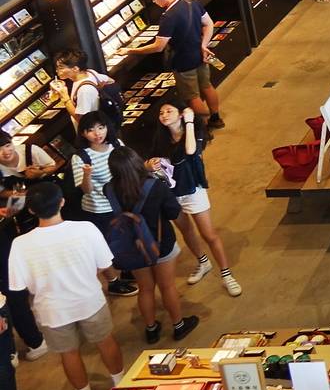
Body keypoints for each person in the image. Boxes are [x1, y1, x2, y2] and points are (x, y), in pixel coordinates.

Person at [8, 181, 124, 390]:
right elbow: (104, 264)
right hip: (89, 299)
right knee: (105, 340)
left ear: (30, 210)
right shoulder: (86, 229)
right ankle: (121, 387)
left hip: (52, 309)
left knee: (68, 353)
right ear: (62, 202)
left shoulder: (20, 245)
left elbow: (19, 286)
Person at [105, 144, 197, 345]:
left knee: (146, 288)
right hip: (161, 243)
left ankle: (151, 329)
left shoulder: (109, 188)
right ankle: (178, 325)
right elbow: (173, 212)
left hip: (133, 247)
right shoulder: (155, 187)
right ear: (137, 162)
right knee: (167, 286)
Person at [144, 103, 239, 296]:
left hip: (192, 189)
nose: (163, 115)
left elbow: (190, 150)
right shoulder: (160, 137)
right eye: (161, 112)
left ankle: (226, 274)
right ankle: (203, 262)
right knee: (186, 231)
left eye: (169, 111)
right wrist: (149, 165)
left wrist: (188, 122)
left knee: (209, 234)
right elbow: (149, 160)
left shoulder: (195, 131)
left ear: (180, 114)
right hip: (170, 193)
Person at [128, 0, 224, 128]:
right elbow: (208, 24)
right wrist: (203, 45)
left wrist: (132, 50)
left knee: (192, 96)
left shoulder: (168, 17)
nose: (154, 2)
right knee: (207, 86)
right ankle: (216, 118)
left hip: (183, 61)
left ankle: (203, 127)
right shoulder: (192, 3)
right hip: (200, 55)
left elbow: (159, 46)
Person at [69, 111, 137, 297]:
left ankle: (127, 269)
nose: (97, 133)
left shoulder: (116, 144)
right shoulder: (81, 157)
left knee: (127, 238)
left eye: (101, 127)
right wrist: (87, 175)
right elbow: (86, 190)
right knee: (107, 246)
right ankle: (113, 282)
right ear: (83, 133)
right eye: (90, 130)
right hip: (98, 209)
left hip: (122, 203)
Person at [1, 176, 48, 365]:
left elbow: (10, 209)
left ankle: (28, 345)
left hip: (6, 243)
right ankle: (29, 343)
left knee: (13, 294)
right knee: (14, 294)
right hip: (7, 244)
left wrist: (16, 197)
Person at [53, 49, 119, 136]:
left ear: (75, 69)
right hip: (104, 125)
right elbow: (111, 81)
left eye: (61, 67)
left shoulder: (84, 90)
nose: (57, 71)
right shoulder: (90, 73)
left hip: (94, 135)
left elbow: (82, 120)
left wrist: (65, 98)